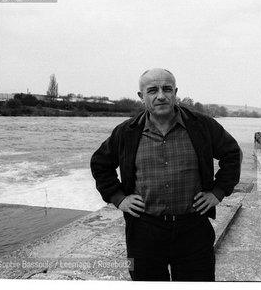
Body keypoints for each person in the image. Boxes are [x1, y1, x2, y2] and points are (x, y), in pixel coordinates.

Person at [90, 68, 242, 281]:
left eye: (167, 89)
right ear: (141, 96)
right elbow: (100, 164)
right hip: (144, 230)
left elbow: (232, 154)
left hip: (193, 229)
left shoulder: (202, 126)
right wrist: (119, 198)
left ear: (175, 92)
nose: (161, 95)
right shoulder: (127, 132)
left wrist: (217, 192)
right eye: (152, 90)